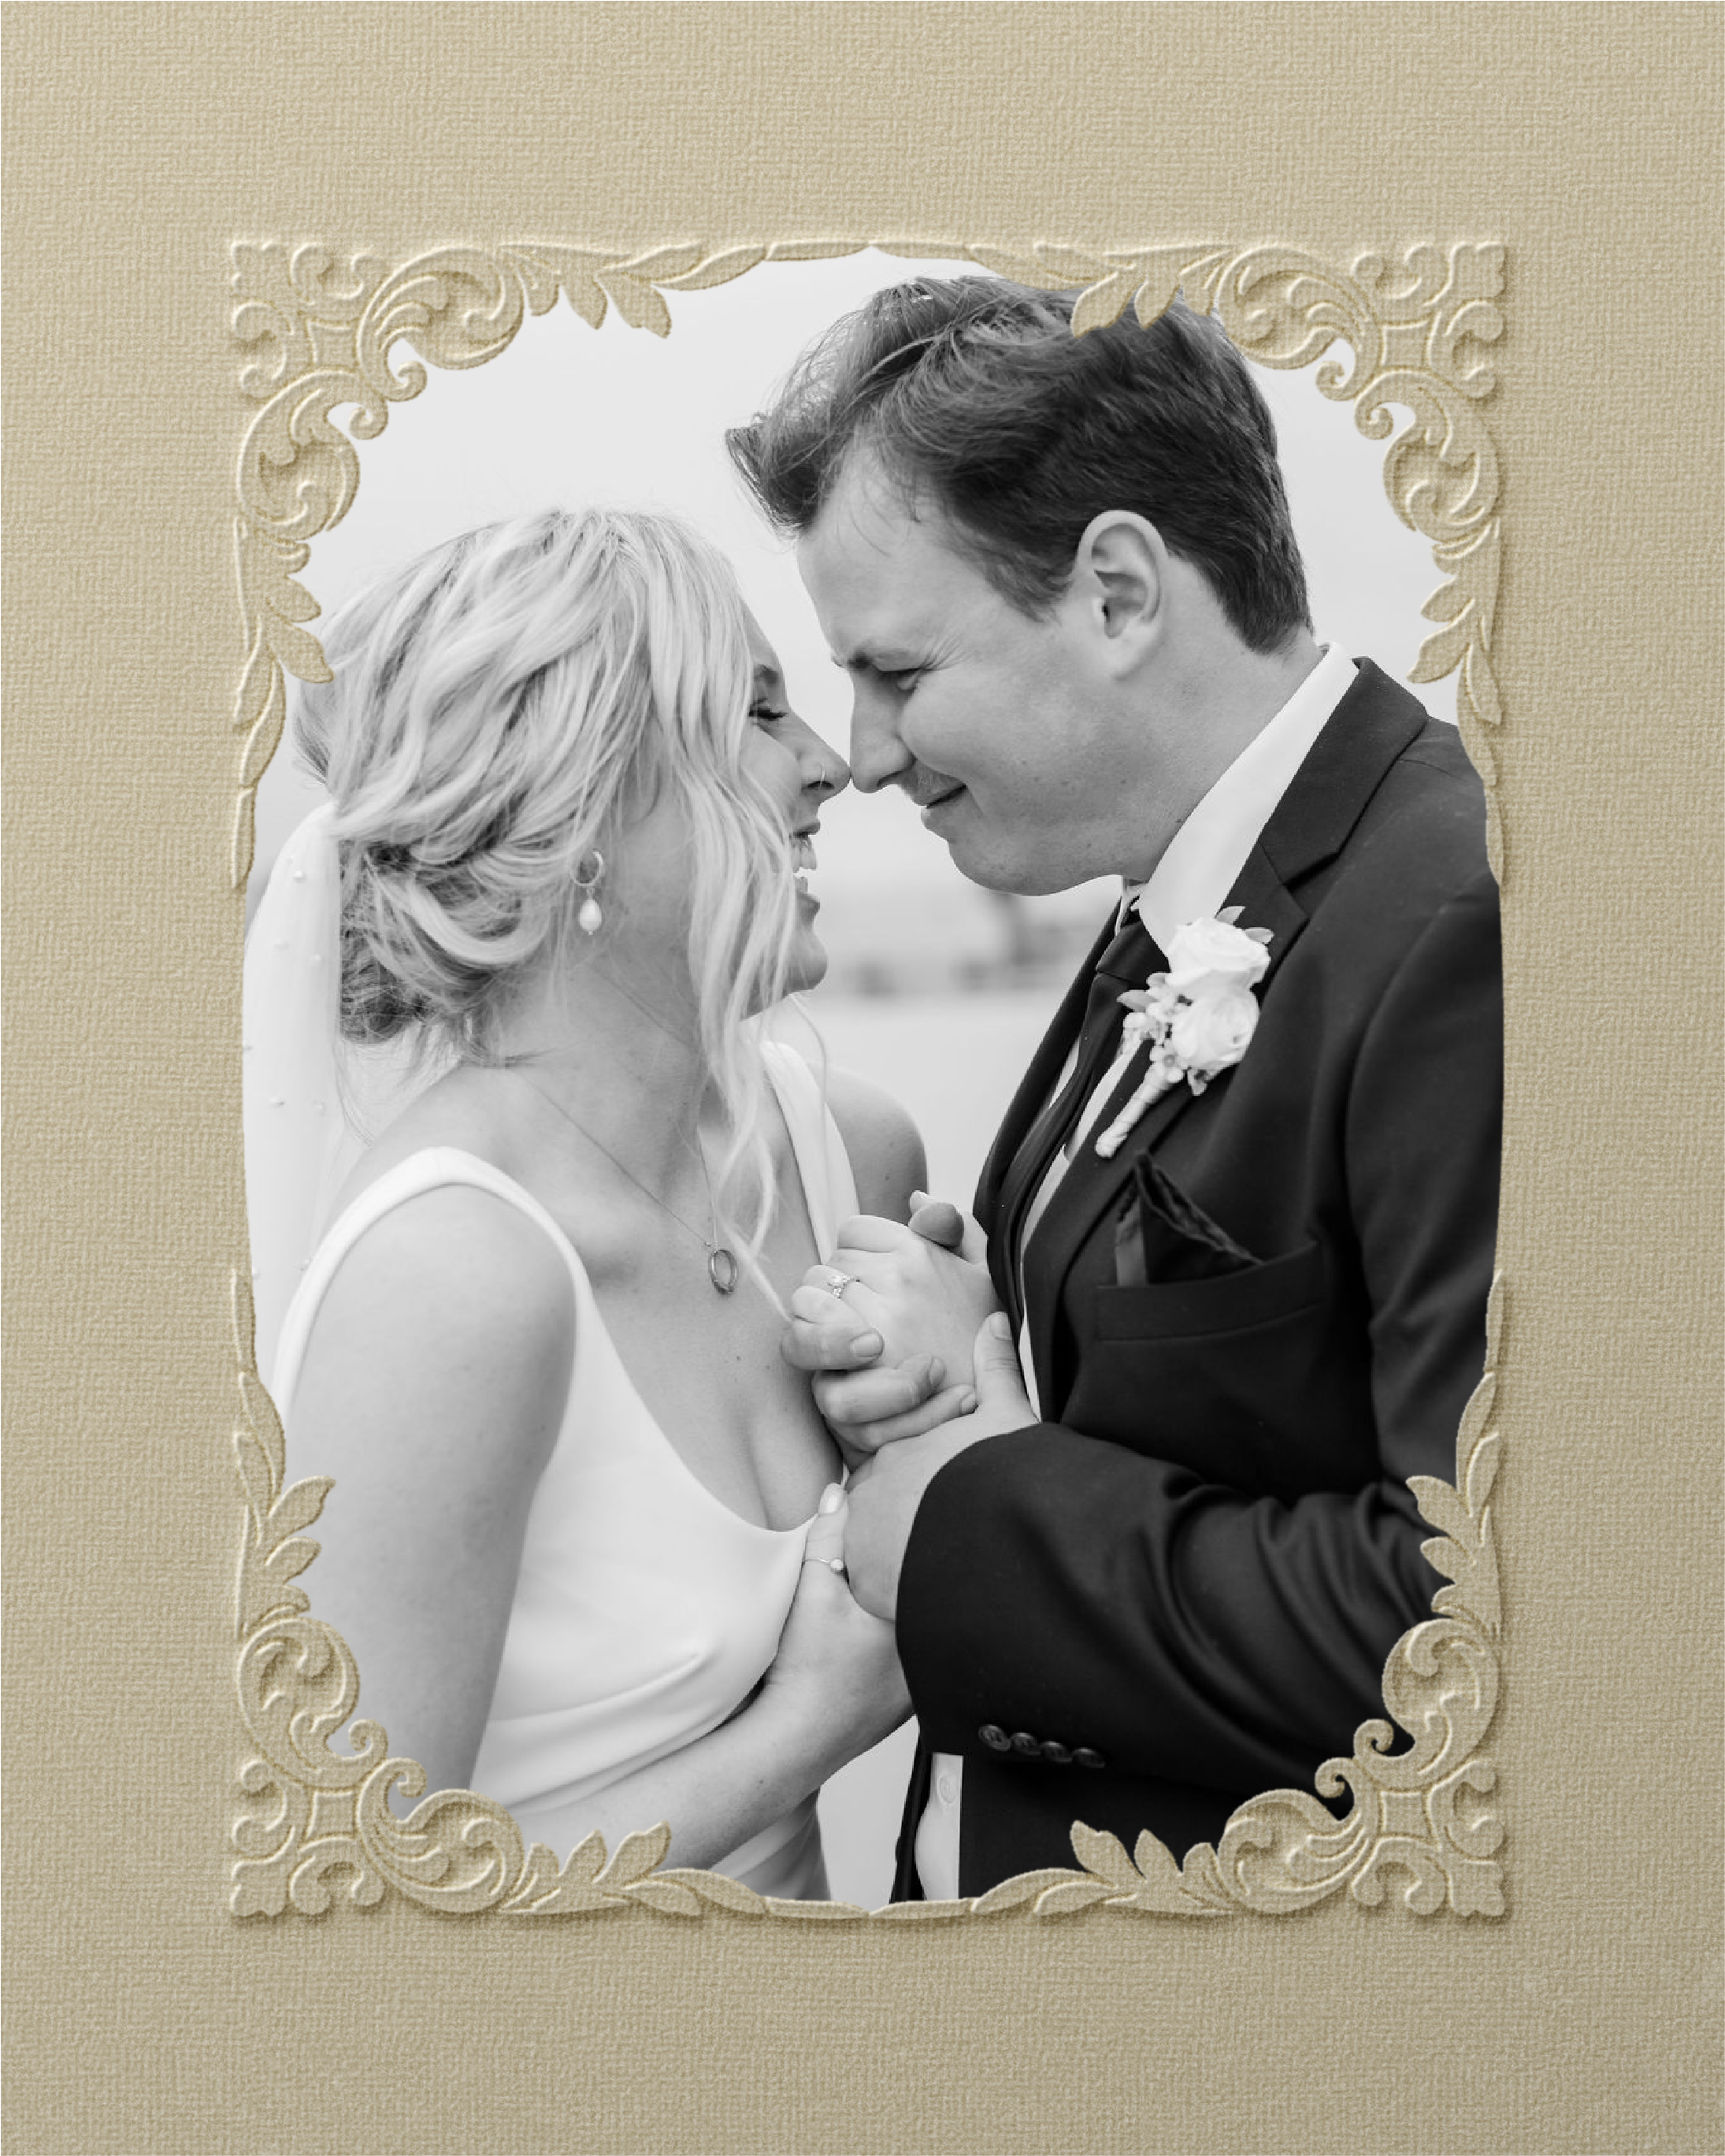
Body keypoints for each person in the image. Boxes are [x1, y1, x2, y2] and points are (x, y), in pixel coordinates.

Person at [727, 278, 1502, 1899]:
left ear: (1120, 592)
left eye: (898, 670)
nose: (865, 753)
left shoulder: (1464, 923)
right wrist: (980, 1349)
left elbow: (1483, 1620)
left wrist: (970, 1512)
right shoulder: (1177, 899)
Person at [243, 508, 923, 1899]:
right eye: (758, 709)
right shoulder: (453, 1278)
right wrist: (807, 1729)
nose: (830, 765)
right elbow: (347, 1907)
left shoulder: (848, 1158)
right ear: (588, 808)